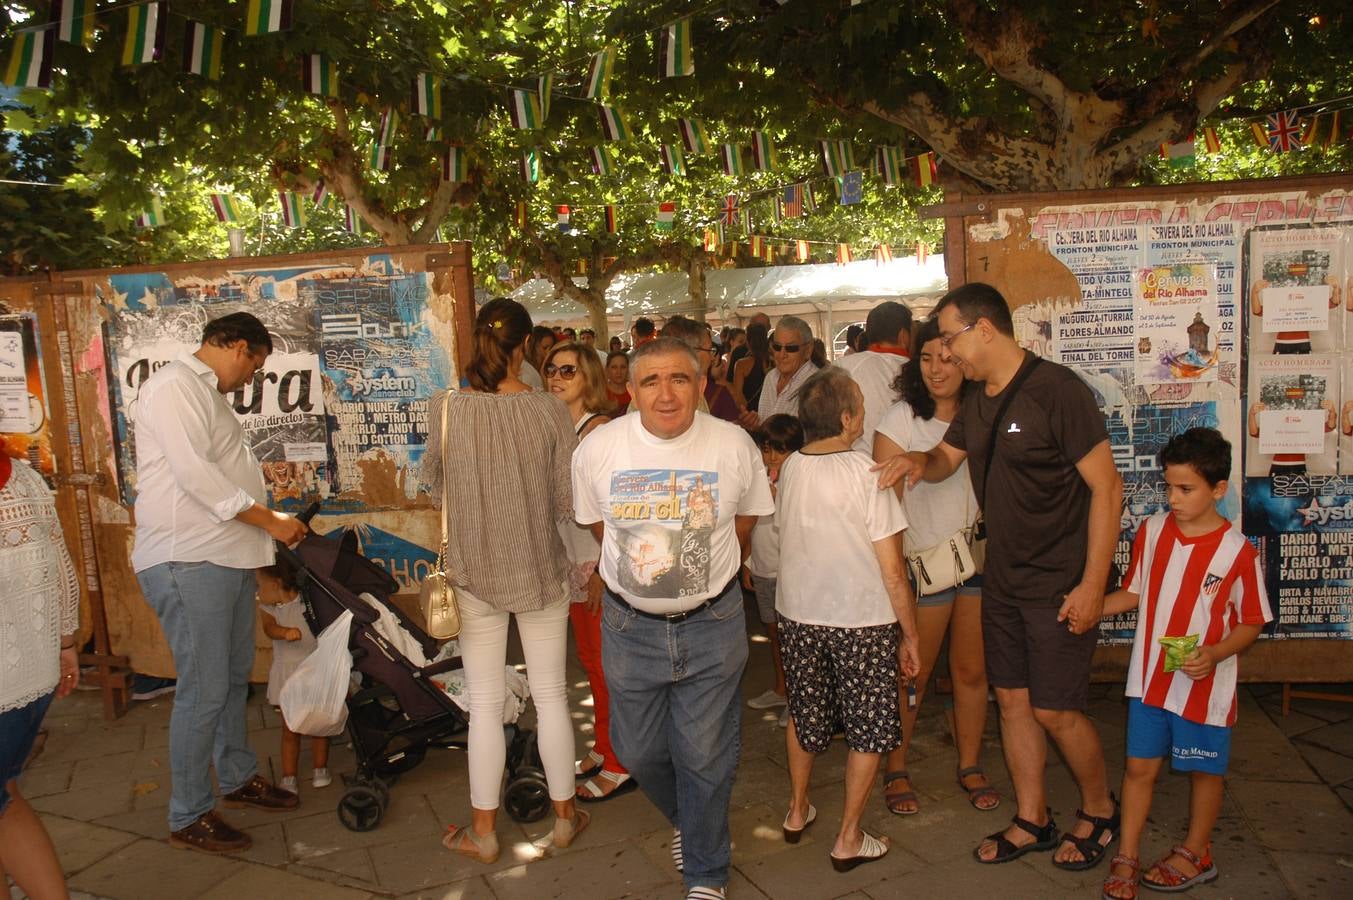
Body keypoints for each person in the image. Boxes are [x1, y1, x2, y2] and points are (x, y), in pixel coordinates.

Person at [884, 283, 1124, 869]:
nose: (946, 352)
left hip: (1059, 582)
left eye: (950, 337)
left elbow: (1108, 487)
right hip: (1002, 581)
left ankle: (1099, 811)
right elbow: (946, 459)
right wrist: (918, 461)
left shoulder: (1056, 391)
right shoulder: (979, 401)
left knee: (1056, 711)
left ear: (984, 329)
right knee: (1012, 702)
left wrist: (1094, 585)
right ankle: (1033, 817)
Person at [572, 337, 775, 900]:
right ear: (630, 391)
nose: (666, 394)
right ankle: (693, 819)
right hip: (628, 626)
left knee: (704, 751)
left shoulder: (734, 444)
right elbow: (600, 528)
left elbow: (748, 517)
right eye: (652, 382)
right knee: (637, 751)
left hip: (714, 622)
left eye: (680, 380)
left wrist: (705, 572)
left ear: (701, 385)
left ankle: (707, 871)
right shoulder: (598, 450)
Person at [132, 311, 307, 854]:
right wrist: (271, 521)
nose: (252, 377)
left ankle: (235, 777)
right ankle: (189, 812)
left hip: (222, 558)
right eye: (253, 364)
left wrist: (261, 539)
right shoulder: (174, 386)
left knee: (231, 679)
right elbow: (198, 478)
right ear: (233, 345)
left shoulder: (202, 393)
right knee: (203, 689)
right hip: (189, 558)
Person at [424, 298, 588, 863]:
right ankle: (565, 819)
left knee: (486, 705)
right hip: (540, 568)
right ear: (526, 347)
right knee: (551, 696)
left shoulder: (446, 408)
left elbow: (431, 484)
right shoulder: (548, 409)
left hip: (473, 573)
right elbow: (568, 500)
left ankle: (483, 832)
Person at [1099, 428, 1271, 900]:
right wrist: (1089, 605)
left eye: (1185, 489)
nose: (1172, 498)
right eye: (1168, 487)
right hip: (1150, 683)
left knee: (1204, 771)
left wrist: (1215, 654)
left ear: (1218, 489)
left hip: (1203, 687)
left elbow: (1253, 621)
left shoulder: (1238, 552)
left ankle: (1197, 851)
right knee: (1138, 769)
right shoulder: (1152, 531)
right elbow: (1133, 593)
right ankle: (1127, 855)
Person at [774, 367, 921, 872]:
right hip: (860, 619)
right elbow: (893, 571)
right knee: (868, 727)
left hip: (797, 615)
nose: (863, 413)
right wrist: (911, 634)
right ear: (846, 418)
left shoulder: (791, 466)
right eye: (859, 404)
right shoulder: (868, 473)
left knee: (804, 711)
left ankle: (796, 810)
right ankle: (848, 836)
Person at [872, 317, 998, 816]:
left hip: (978, 561)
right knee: (912, 675)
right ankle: (896, 767)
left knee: (971, 671)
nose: (936, 369)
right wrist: (895, 575)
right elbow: (885, 507)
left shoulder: (983, 411)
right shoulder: (900, 418)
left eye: (946, 357)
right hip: (922, 567)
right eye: (925, 358)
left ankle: (969, 763)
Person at [542, 342, 634, 803]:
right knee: (593, 665)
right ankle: (604, 746)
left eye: (568, 371)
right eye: (550, 369)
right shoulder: (563, 426)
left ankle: (621, 762)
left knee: (609, 667)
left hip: (596, 562)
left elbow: (618, 510)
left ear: (589, 379)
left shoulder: (598, 431)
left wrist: (601, 568)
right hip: (573, 562)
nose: (556, 378)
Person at [0, 445, 80, 898]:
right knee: (4, 796)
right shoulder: (24, 476)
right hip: (31, 674)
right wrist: (66, 642)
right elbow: (60, 569)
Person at [742, 414, 805, 726]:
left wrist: (780, 498)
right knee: (774, 634)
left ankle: (799, 699)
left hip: (790, 574)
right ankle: (782, 688)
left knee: (794, 638)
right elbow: (751, 526)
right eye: (766, 450)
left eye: (780, 451)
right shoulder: (760, 479)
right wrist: (747, 565)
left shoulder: (799, 482)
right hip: (763, 570)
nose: (772, 457)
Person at [256, 561, 330, 795]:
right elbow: (269, 629)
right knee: (290, 730)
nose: (257, 592)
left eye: (260, 585)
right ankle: (289, 776)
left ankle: (320, 768)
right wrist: (284, 632)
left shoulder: (308, 603)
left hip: (312, 671)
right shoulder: (269, 609)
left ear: (277, 583)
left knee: (318, 726)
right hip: (288, 675)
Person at [836, 301, 913, 452]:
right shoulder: (917, 371)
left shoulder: (841, 367)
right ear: (903, 335)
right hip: (901, 466)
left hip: (847, 465)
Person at [663, 316, 741, 421]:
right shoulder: (718, 395)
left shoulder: (647, 392)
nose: (712, 357)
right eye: (709, 350)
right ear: (691, 352)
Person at [753, 316, 819, 426]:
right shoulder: (770, 377)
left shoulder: (817, 384)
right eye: (777, 347)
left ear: (808, 350)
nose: (782, 354)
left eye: (791, 348)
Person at [732, 322, 774, 428]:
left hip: (751, 418)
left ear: (748, 341)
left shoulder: (741, 364)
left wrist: (747, 417)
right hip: (771, 415)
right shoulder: (774, 362)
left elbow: (738, 398)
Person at [521, 324, 556, 389]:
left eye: (551, 348)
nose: (548, 353)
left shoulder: (550, 369)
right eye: (544, 348)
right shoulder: (526, 371)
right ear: (531, 346)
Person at [604, 350, 632, 415]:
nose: (618, 372)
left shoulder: (634, 392)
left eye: (623, 367)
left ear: (628, 369)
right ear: (607, 369)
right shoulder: (601, 393)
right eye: (614, 367)